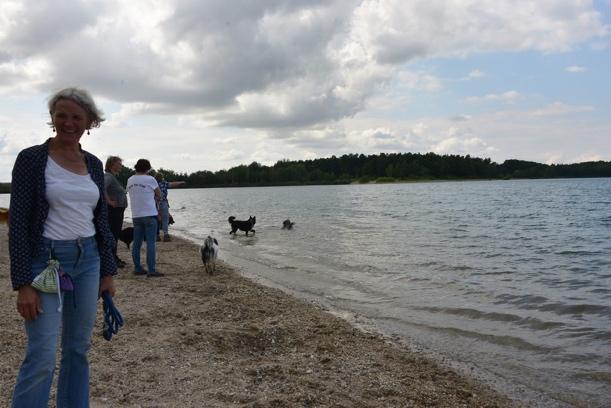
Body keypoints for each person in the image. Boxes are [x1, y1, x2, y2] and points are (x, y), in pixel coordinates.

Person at [9, 87, 117, 407]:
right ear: (52, 119)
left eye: (76, 117)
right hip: (46, 262)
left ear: (89, 122)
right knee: (42, 354)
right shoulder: (31, 159)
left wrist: (108, 270)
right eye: (61, 115)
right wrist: (22, 284)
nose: (68, 123)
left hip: (89, 260)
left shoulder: (94, 164)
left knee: (77, 350)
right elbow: (18, 223)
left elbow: (100, 221)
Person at [127, 159, 162, 277]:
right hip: (150, 214)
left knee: (136, 243)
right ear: (148, 169)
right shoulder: (150, 179)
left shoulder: (130, 179)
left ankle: (138, 268)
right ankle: (151, 270)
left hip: (136, 215)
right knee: (150, 243)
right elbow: (159, 194)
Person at [104, 156, 128, 268]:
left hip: (118, 211)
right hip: (113, 211)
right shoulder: (108, 176)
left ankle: (114, 257)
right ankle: (112, 259)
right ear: (112, 164)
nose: (121, 165)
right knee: (113, 235)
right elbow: (102, 187)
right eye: (119, 163)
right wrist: (109, 201)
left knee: (115, 234)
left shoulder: (113, 177)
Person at [154, 172, 185, 242]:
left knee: (156, 219)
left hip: (154, 203)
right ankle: (166, 235)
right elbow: (172, 184)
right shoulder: (164, 183)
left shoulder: (153, 184)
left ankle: (157, 235)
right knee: (165, 219)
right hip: (164, 202)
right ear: (161, 178)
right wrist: (181, 182)